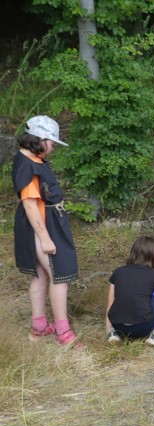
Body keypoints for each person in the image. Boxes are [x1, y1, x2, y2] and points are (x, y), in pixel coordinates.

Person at [11, 115, 82, 348]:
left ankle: (40, 327)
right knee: (58, 275)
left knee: (40, 275)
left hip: (47, 220)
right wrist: (45, 239)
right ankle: (64, 333)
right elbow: (31, 205)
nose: (53, 148)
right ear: (39, 139)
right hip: (41, 225)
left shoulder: (34, 157)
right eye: (51, 143)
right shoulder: (28, 165)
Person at [106, 236, 154, 348]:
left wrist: (109, 330)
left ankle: (113, 333)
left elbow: (110, 304)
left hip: (118, 326)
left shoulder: (118, 272)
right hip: (143, 327)